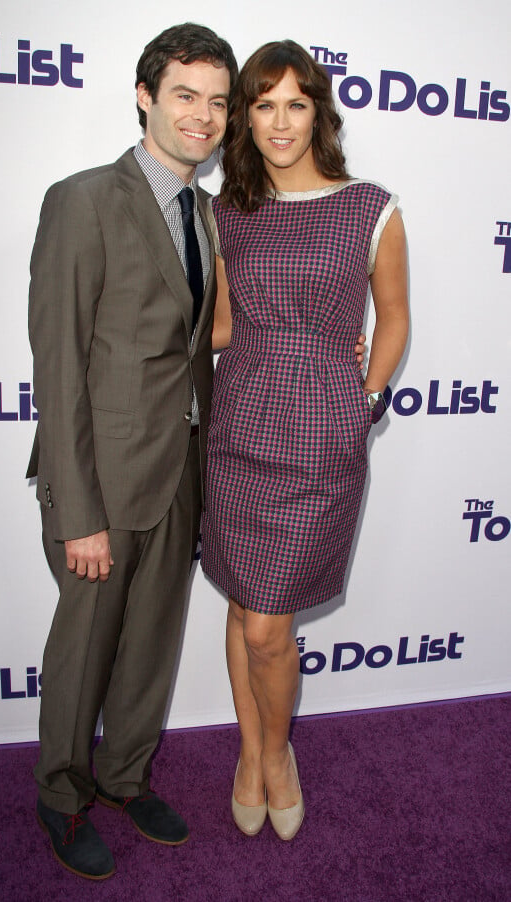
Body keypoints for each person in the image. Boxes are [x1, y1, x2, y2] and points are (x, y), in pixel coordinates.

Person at [27, 23, 238, 880]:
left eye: (219, 101)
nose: (205, 116)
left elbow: (199, 343)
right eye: (185, 95)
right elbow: (60, 359)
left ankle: (123, 775)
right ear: (146, 96)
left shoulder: (212, 214)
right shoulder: (84, 199)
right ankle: (60, 792)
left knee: (151, 644)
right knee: (84, 655)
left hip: (179, 471)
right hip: (103, 483)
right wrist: (76, 510)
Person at [201, 40, 409, 841]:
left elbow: (391, 316)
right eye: (262, 104)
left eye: (296, 103)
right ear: (244, 118)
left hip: (322, 433)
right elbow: (219, 324)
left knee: (267, 625)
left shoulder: (371, 207)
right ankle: (251, 753)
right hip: (239, 423)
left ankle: (278, 753)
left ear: (319, 111)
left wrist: (367, 395)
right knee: (243, 599)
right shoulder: (226, 212)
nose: (279, 122)